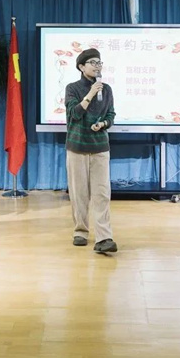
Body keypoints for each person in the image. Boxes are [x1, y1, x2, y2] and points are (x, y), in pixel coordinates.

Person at [65, 48, 117, 253]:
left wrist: (103, 123)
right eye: (93, 62)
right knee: (79, 193)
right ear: (81, 66)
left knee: (102, 193)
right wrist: (90, 93)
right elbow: (73, 114)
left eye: (100, 63)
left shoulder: (108, 89)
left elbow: (111, 114)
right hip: (77, 148)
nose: (98, 66)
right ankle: (80, 231)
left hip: (100, 147)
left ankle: (104, 237)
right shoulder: (73, 88)